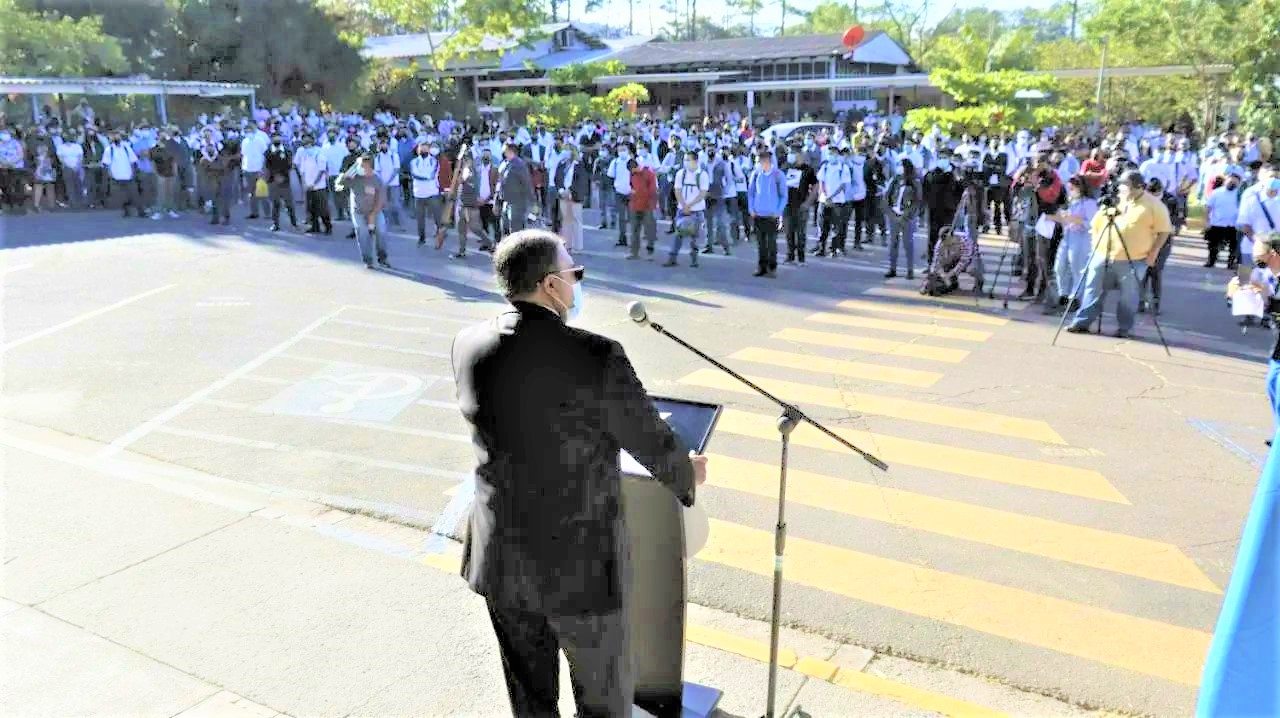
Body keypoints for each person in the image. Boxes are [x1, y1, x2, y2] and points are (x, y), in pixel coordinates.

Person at [452, 230, 707, 717]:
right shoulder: (595, 355)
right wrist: (686, 473)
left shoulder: (468, 344)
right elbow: (650, 439)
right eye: (576, 274)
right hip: (580, 568)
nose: (578, 284)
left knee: (530, 698)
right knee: (604, 700)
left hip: (501, 558)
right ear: (551, 285)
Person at [1066, 170, 1172, 338]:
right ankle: (1081, 322)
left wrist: (1154, 252)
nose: (1123, 190)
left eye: (1127, 187)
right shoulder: (1114, 201)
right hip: (1102, 254)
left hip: (1135, 258)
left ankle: (1125, 328)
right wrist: (1095, 247)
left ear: (1139, 187)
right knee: (1092, 289)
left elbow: (1164, 231)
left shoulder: (1154, 205)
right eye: (1122, 186)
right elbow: (1096, 224)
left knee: (1128, 296)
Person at [335, 154, 388, 268]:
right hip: (358, 212)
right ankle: (367, 259)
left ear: (370, 166)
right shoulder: (354, 178)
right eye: (359, 165)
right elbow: (339, 185)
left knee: (381, 231)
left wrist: (372, 216)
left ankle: (382, 257)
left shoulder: (377, 180)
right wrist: (347, 174)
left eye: (363, 165)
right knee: (362, 233)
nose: (360, 167)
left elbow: (381, 200)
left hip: (375, 211)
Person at [747, 150, 787, 278]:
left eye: (759, 161)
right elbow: (751, 193)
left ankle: (772, 267)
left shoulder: (778, 175)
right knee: (761, 243)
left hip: (772, 215)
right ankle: (761, 267)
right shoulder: (756, 174)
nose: (757, 164)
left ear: (767, 161)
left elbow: (783, 196)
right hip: (758, 214)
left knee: (771, 243)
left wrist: (778, 211)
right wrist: (751, 208)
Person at [884, 158, 921, 279]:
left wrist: (906, 214)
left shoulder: (915, 181)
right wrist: (891, 213)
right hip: (894, 215)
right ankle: (892, 268)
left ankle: (910, 270)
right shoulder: (896, 179)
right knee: (893, 243)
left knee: (907, 244)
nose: (899, 167)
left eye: (901, 165)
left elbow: (917, 201)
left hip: (907, 217)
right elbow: (887, 197)